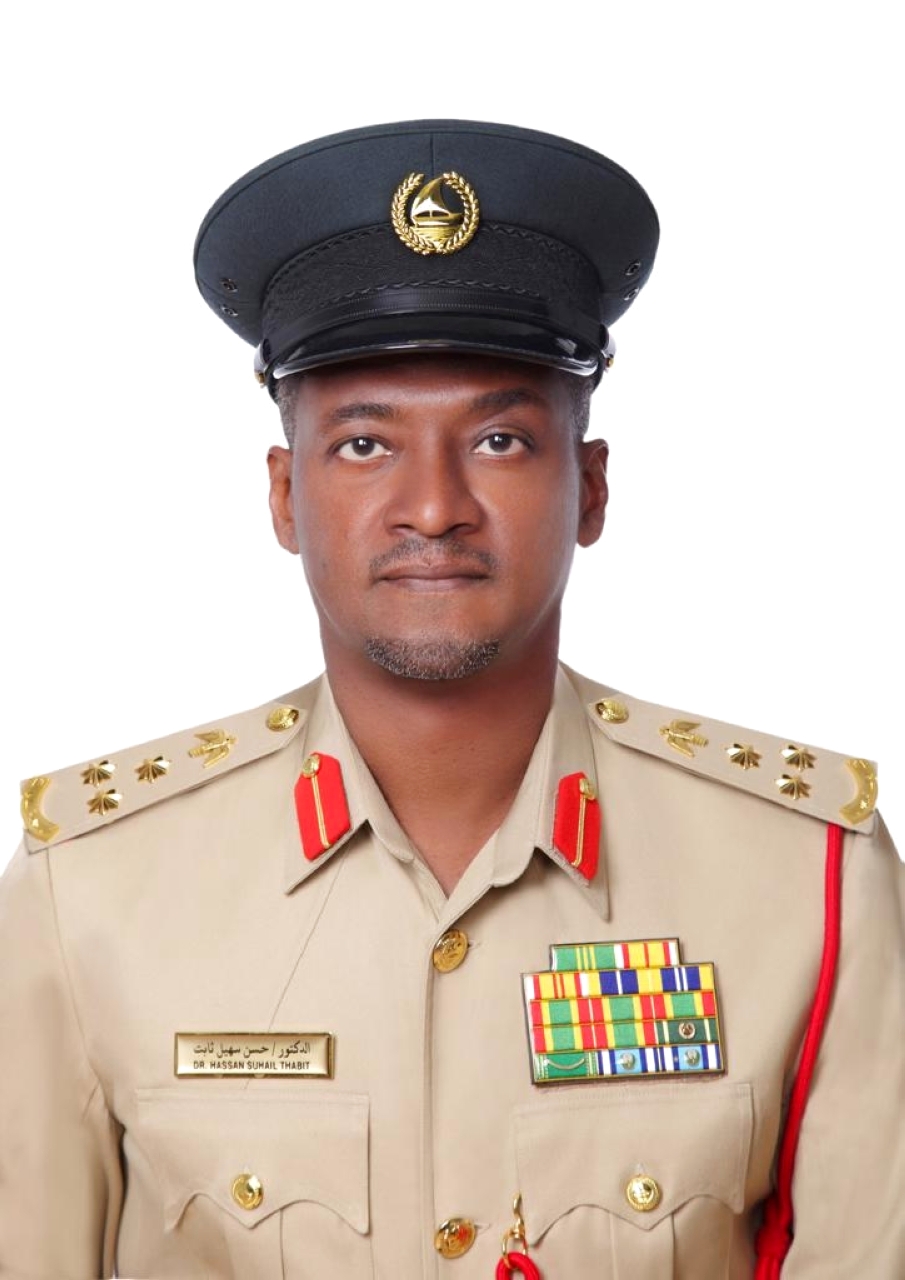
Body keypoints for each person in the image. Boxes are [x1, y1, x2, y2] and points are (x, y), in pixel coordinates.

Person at [0, 119, 902, 1280]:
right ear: (284, 496)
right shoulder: (88, 891)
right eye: (363, 443)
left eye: (499, 438)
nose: (432, 506)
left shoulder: (806, 877)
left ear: (590, 486)